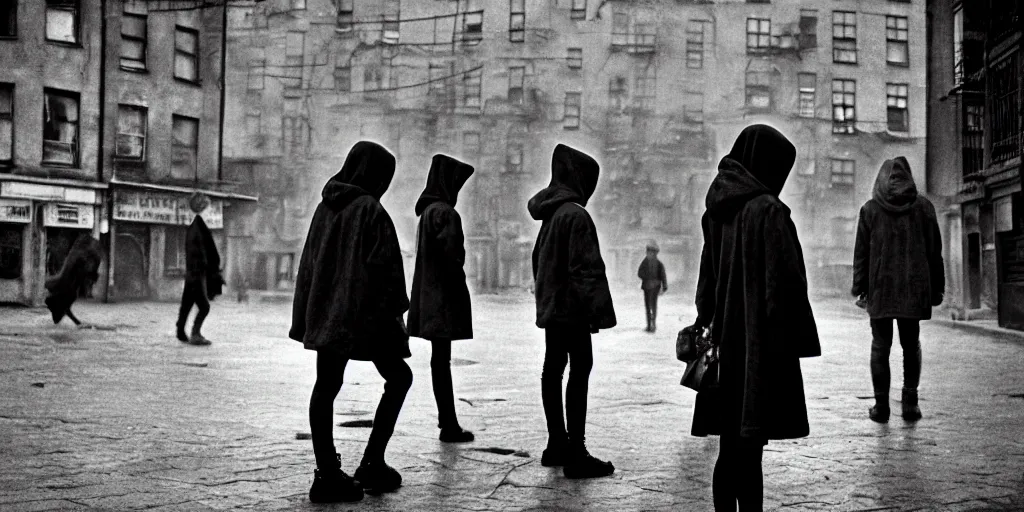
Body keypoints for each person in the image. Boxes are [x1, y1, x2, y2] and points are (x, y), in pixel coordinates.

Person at [686, 124, 821, 511]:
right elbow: (787, 287)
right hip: (759, 349)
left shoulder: (715, 212)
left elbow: (705, 288)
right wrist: (793, 342)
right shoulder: (770, 212)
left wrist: (710, 325)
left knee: (729, 445)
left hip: (722, 347)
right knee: (750, 450)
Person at [290, 141, 412, 503]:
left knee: (325, 385)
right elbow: (388, 274)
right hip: (364, 315)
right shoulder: (371, 211)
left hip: (328, 312)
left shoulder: (324, 208)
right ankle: (372, 462)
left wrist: (312, 311)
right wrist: (394, 315)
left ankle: (326, 472)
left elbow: (309, 264)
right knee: (399, 377)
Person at [528, 143, 617, 479]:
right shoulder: (575, 215)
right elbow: (586, 269)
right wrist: (598, 311)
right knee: (580, 368)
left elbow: (538, 261)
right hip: (572, 309)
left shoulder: (552, 216)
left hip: (554, 308)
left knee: (553, 370)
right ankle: (575, 451)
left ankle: (556, 443)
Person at [852, 156, 944, 423]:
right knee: (910, 344)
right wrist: (937, 288)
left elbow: (861, 254)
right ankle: (910, 405)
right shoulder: (924, 208)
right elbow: (934, 252)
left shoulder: (870, 210)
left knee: (880, 346)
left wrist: (860, 288)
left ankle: (881, 407)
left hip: (880, 288)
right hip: (913, 289)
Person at [409, 153, 476, 443]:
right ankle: (448, 423)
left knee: (439, 360)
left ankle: (446, 419)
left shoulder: (427, 213)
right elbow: (452, 258)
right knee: (442, 360)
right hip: (444, 299)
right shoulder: (447, 214)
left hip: (429, 298)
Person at [175, 193, 224, 346]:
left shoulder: (196, 226)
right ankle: (195, 334)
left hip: (192, 274)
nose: (210, 211)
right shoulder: (198, 228)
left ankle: (180, 330)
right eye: (208, 207)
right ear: (202, 208)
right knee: (204, 306)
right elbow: (201, 254)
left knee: (187, 304)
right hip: (196, 274)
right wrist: (209, 272)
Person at [44, 234, 103, 327]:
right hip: (77, 267)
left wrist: (78, 323)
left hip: (77, 267)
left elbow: (66, 310)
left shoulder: (69, 290)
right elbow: (67, 310)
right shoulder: (70, 292)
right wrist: (79, 323)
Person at [637, 240, 667, 332]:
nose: (650, 254)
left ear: (655, 253)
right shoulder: (645, 263)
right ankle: (650, 325)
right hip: (648, 287)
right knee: (649, 306)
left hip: (653, 287)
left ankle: (652, 325)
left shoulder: (658, 264)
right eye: (649, 252)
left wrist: (664, 286)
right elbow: (639, 273)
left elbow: (663, 275)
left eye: (652, 252)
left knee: (652, 306)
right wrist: (646, 278)